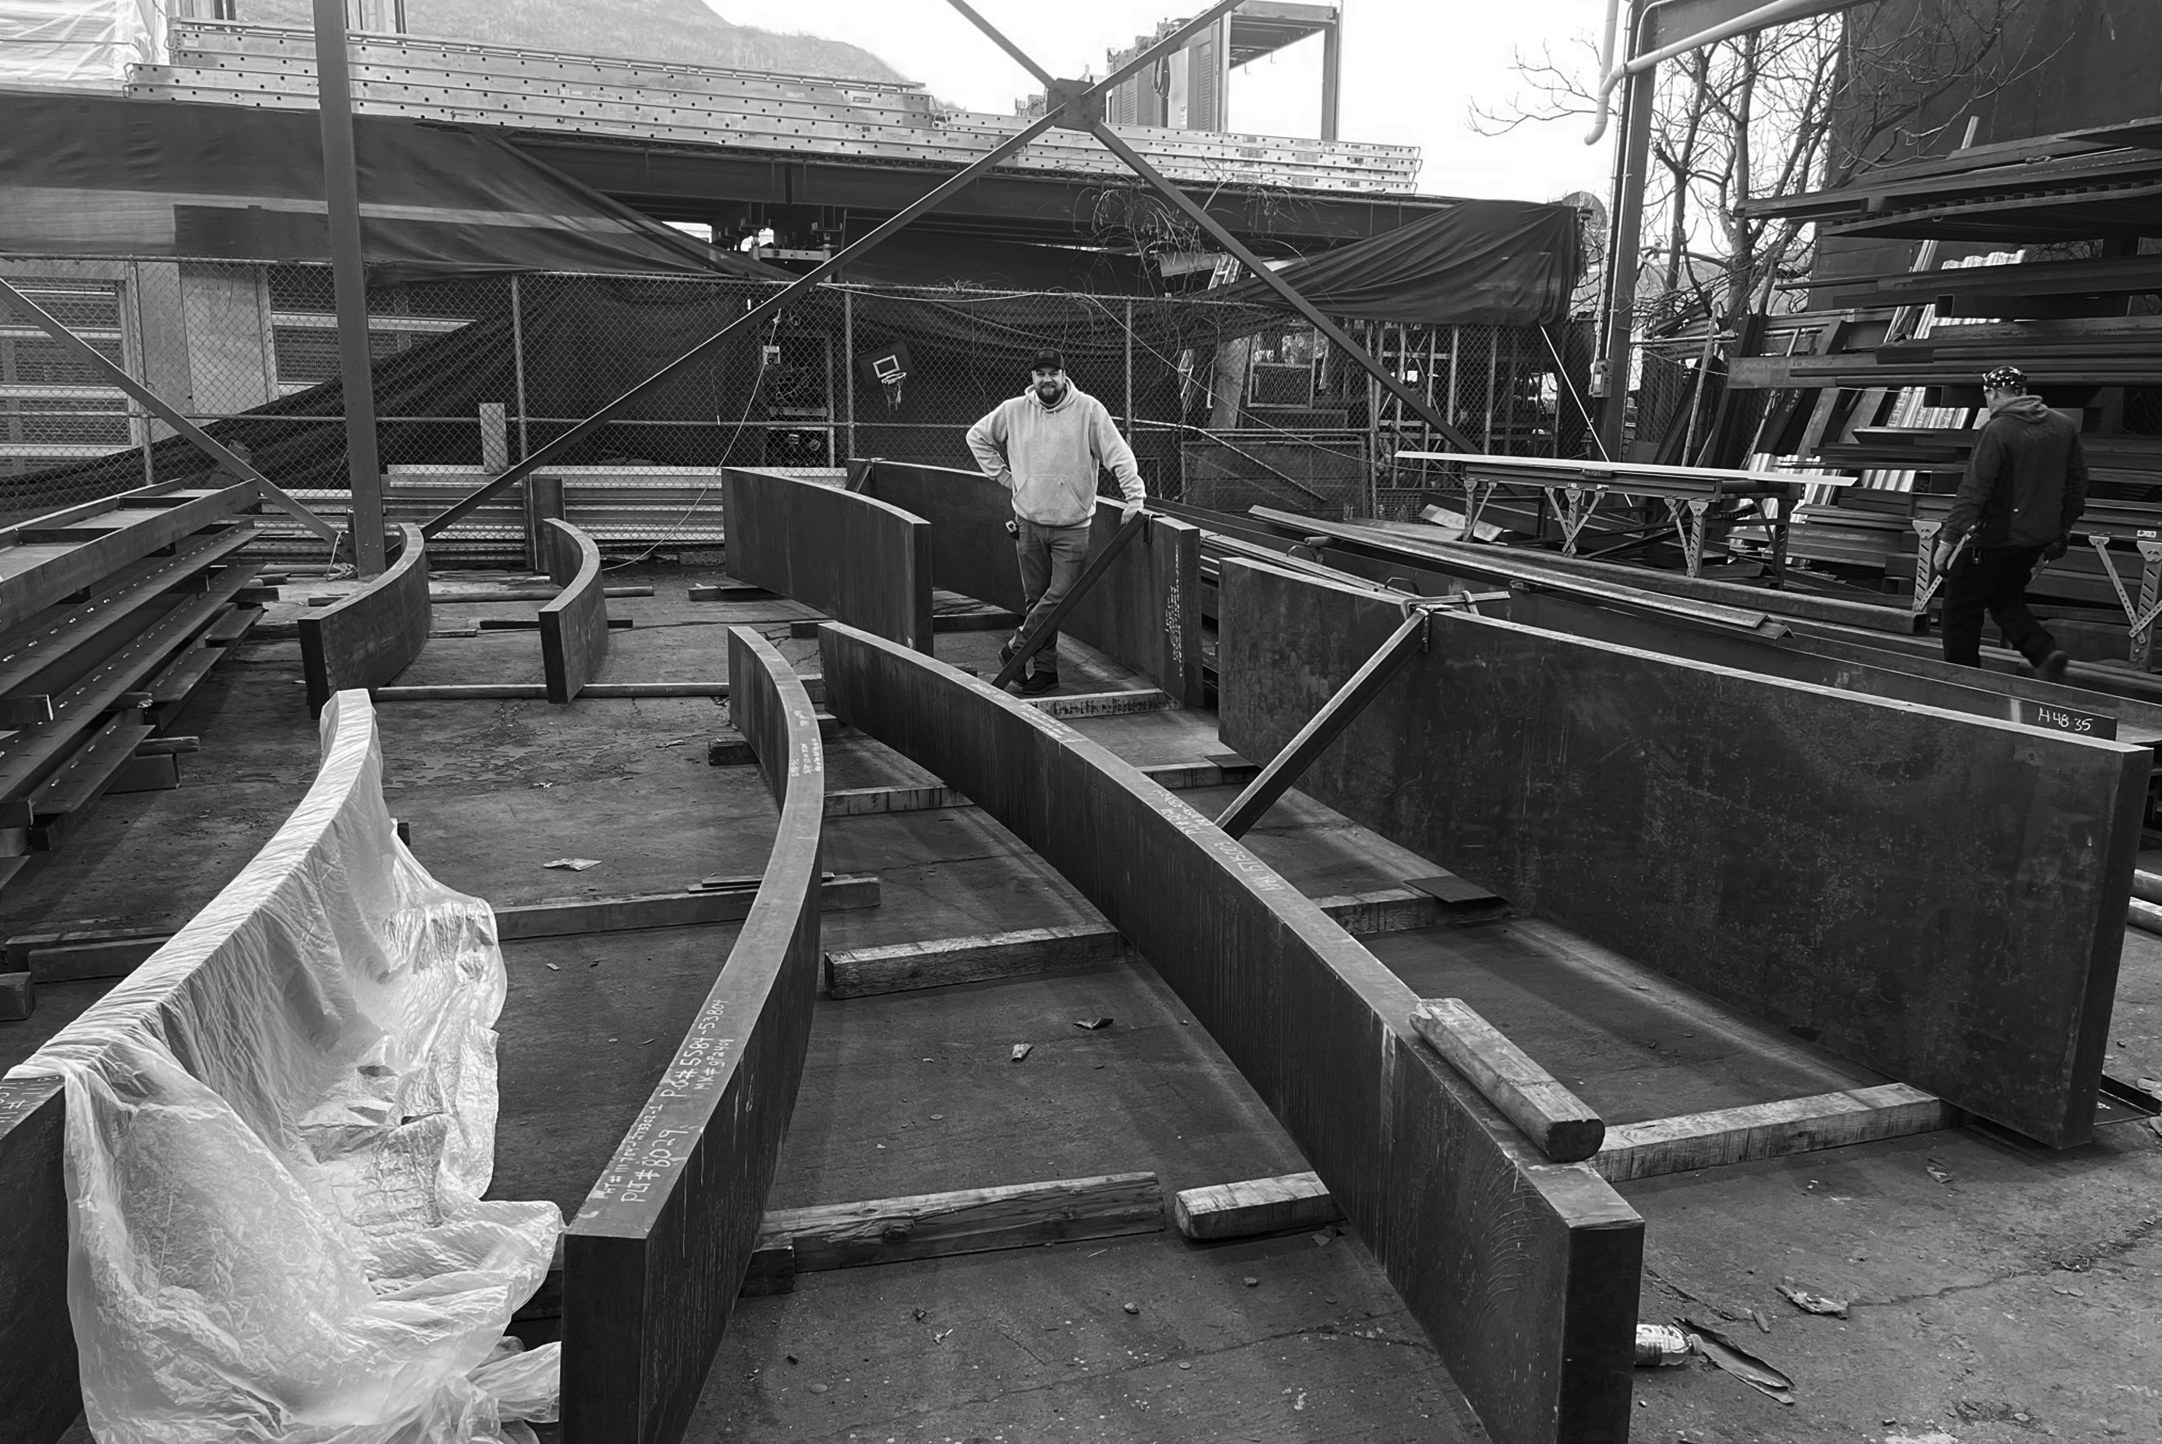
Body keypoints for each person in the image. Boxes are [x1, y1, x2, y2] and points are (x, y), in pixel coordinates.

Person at [965, 348, 1146, 694]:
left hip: (1072, 526)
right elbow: (977, 437)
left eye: (1053, 373)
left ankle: (1016, 648)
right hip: (1029, 521)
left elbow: (1118, 454)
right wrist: (1005, 478)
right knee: (1037, 601)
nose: (1047, 379)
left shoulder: (1089, 411)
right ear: (1032, 378)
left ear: (1064, 375)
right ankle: (1044, 671)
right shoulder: (1014, 411)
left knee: (1060, 596)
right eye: (1040, 373)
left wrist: (1134, 498)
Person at [1931, 365, 2087, 679]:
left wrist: (1948, 541)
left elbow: (1974, 488)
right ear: (2023, 390)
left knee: (1960, 605)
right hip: (2037, 538)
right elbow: (2077, 483)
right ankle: (2043, 652)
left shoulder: (1998, 430)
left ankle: (1963, 679)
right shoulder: (2063, 426)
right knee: (2003, 595)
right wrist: (2063, 530)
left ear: (1991, 393)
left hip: (1996, 538)